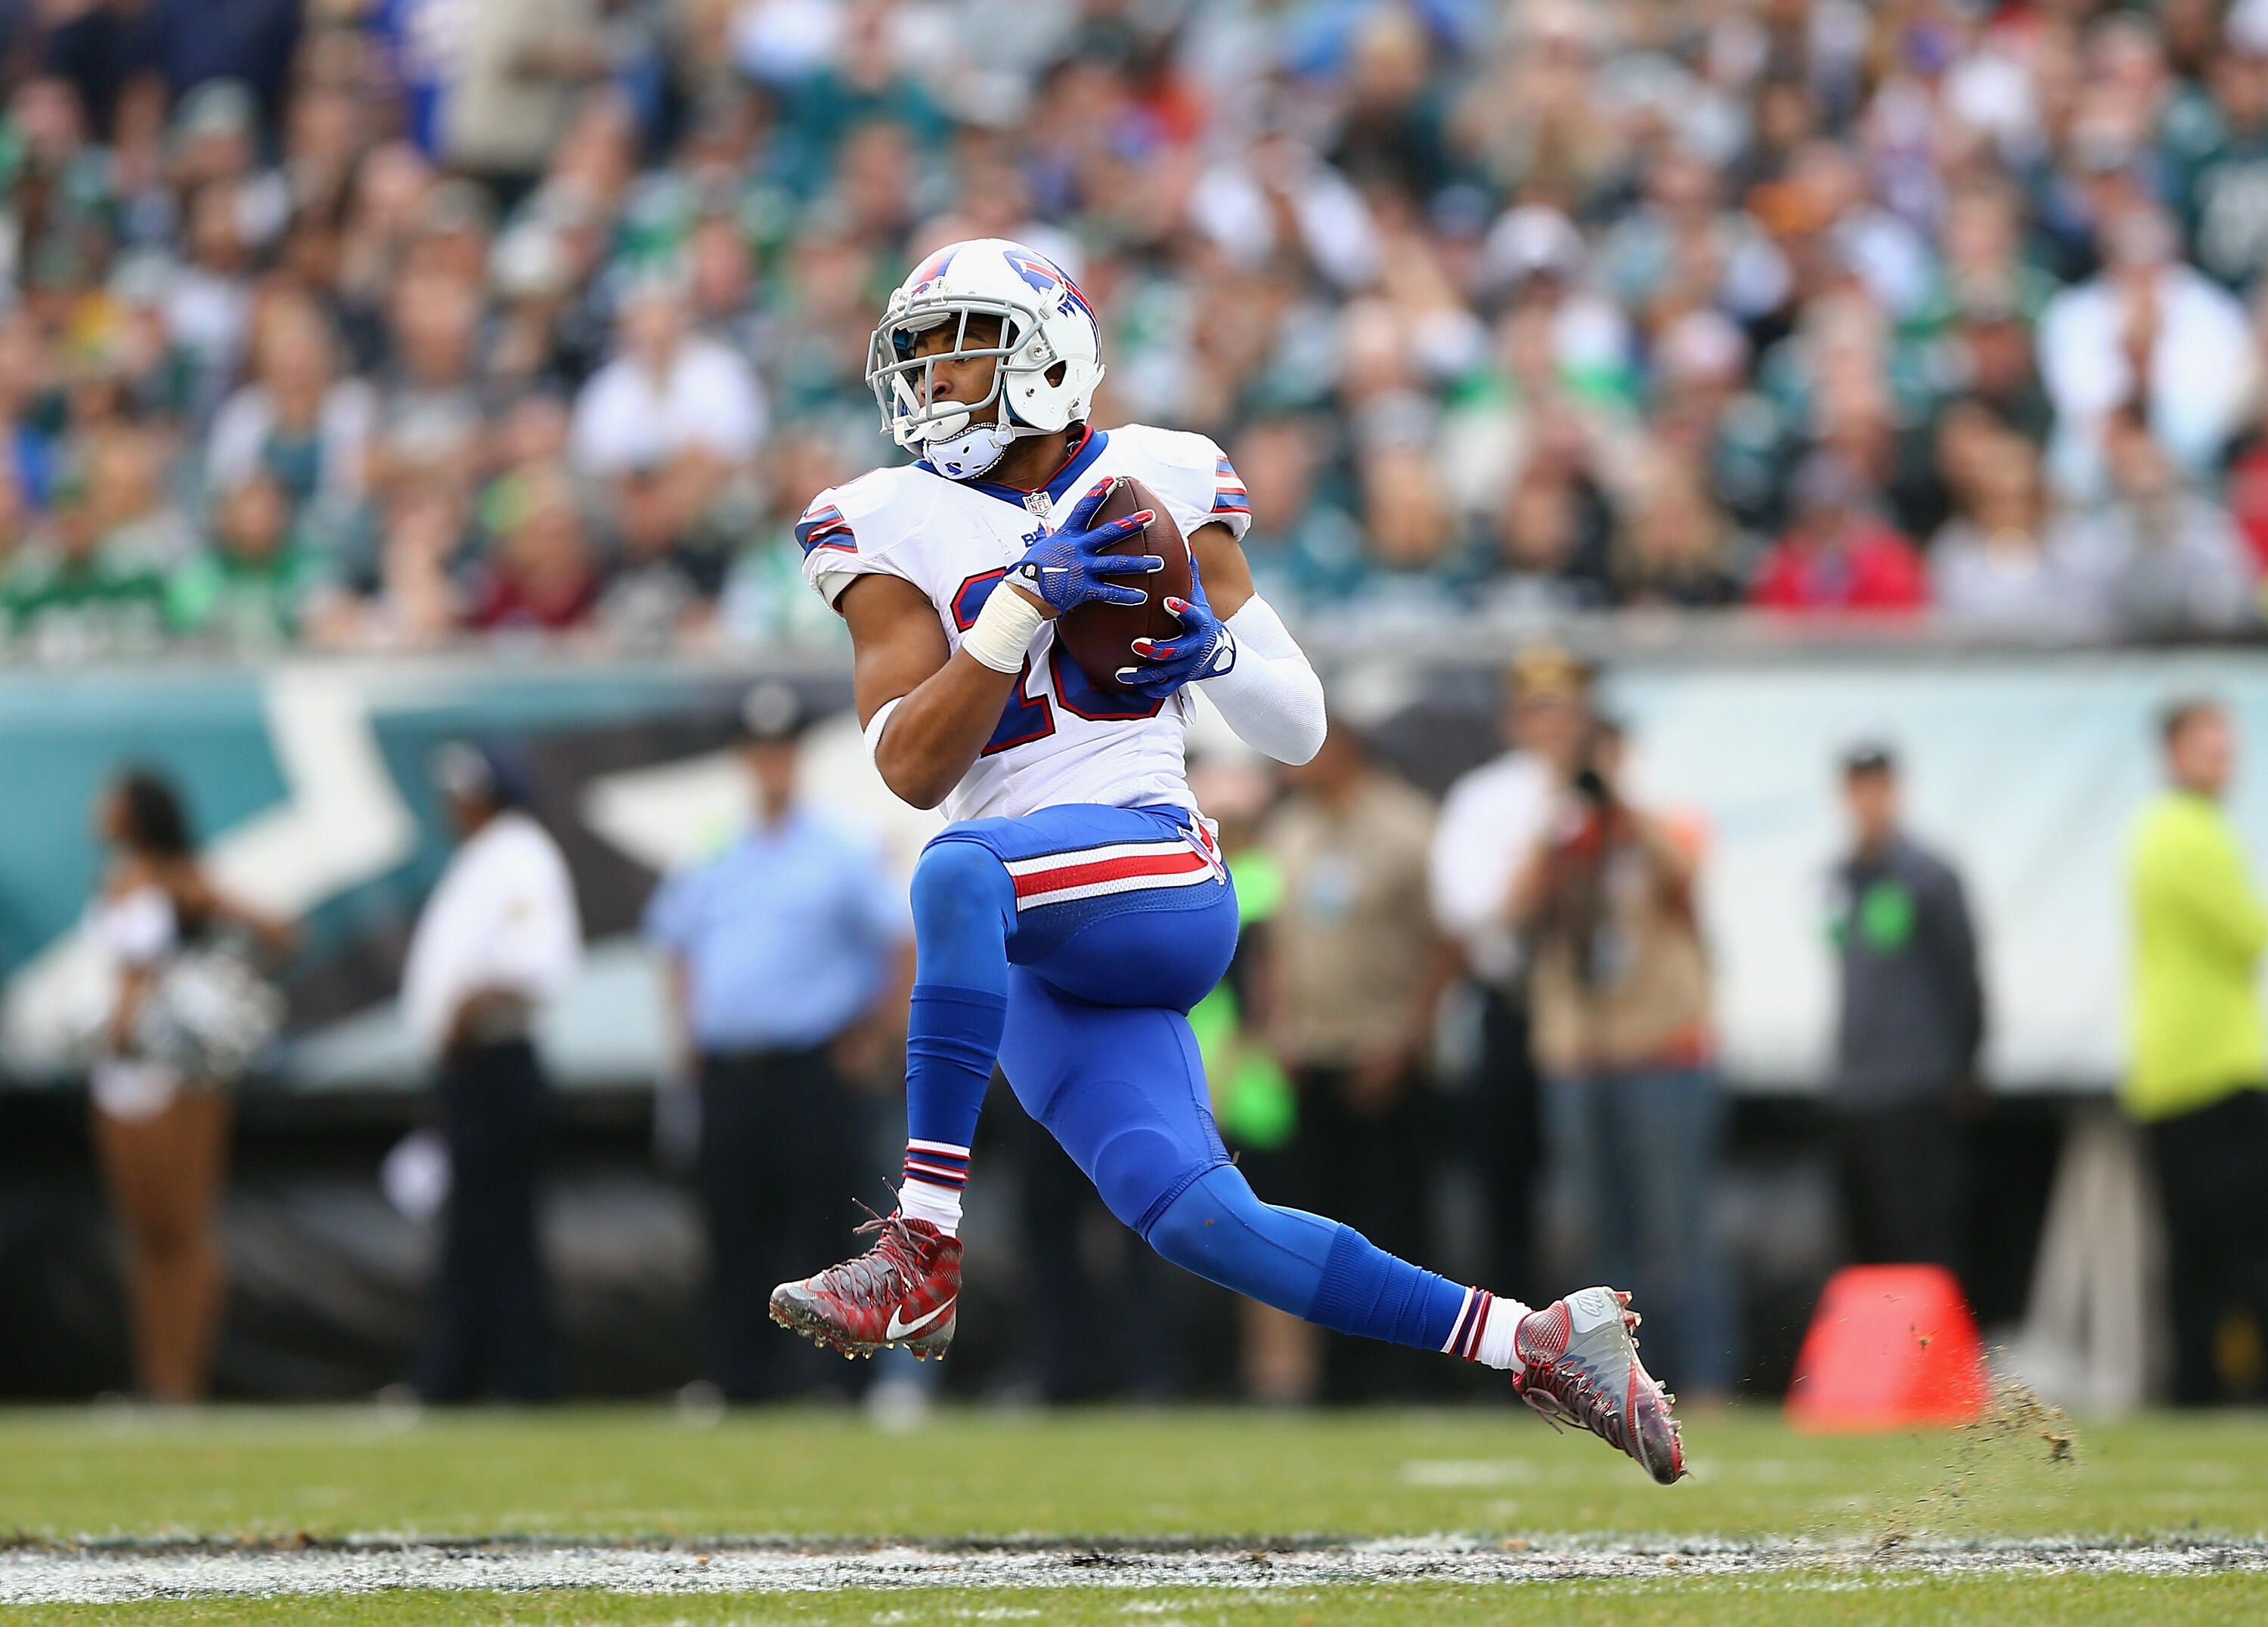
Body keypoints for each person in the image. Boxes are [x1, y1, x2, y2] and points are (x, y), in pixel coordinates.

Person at [765, 238, 1684, 1482]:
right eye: (917, 354)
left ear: (1050, 354)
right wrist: (1014, 616)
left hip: (1152, 872)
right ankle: (1539, 1339)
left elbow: (1297, 724)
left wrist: (1212, 649)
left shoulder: (1158, 473)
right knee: (1200, 1218)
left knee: (955, 873)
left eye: (961, 347)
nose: (932, 379)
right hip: (1033, 939)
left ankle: (922, 1243)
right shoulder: (882, 520)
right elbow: (912, 768)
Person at [642, 682, 912, 1401]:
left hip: (812, 1067)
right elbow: (674, 945)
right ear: (744, 759)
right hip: (729, 1070)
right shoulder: (713, 851)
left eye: (782, 752)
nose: (772, 766)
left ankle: (831, 1382)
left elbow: (899, 943)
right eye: (760, 752)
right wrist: (684, 1033)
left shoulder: (840, 848)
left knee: (824, 1227)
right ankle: (739, 1381)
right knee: (732, 1229)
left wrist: (876, 1039)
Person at [1511, 717, 1735, 1404]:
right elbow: (1511, 912)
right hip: (1581, 1056)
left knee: (1678, 1222)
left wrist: (1623, 811)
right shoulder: (1557, 840)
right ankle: (1613, 1381)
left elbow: (1687, 873)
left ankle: (1705, 1376)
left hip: (1664, 1052)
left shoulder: (1668, 825)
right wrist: (1558, 827)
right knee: (1593, 1229)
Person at [1261, 722, 1452, 1401]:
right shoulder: (1292, 829)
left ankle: (1404, 1374)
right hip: (1311, 1050)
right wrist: (1278, 1027)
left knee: (1395, 1216)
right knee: (1318, 1216)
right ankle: (1336, 1375)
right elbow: (1279, 942)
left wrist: (1407, 1039)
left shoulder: (1408, 827)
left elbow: (1444, 944)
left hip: (1385, 1050)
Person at [86, 770, 291, 1402]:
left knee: (185, 1229)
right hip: (122, 1072)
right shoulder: (116, 882)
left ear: (140, 812)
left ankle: (184, 1378)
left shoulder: (184, 880)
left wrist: (216, 981)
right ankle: (155, 1378)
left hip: (181, 1070)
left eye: (114, 796)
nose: (100, 807)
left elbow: (281, 934)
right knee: (144, 1233)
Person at [401, 741, 581, 1402]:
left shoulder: (519, 853)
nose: (453, 807)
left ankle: (521, 1380)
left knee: (500, 1230)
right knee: (474, 1230)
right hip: (472, 1068)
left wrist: (460, 1019)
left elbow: (531, 966)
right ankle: (461, 1377)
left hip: (497, 1064)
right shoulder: (483, 859)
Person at [1427, 646, 1591, 1312]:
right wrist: (1540, 846)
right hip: (1514, 999)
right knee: (1505, 1180)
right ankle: (1516, 1340)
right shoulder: (1487, 797)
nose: (1551, 727)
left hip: (1590, 1003)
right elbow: (1461, 907)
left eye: (1562, 712)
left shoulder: (1612, 787)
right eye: (1537, 712)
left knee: (1595, 1176)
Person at [2125, 699, 2268, 1405]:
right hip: (2216, 1064)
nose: (2223, 756)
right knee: (2244, 1245)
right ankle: (2224, 1386)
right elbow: (2248, 933)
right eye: (2209, 744)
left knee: (2190, 1251)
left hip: (2163, 1072)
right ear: (2174, 753)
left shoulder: (2155, 832)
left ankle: (2193, 1387)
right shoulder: (2195, 835)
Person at [1826, 744, 1984, 1272]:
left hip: (1917, 1087)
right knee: (1867, 1252)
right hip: (1856, 1089)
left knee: (1924, 1243)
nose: (1868, 799)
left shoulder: (1930, 876)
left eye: (1878, 784)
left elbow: (1964, 974)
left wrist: (1963, 1068)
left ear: (1895, 789)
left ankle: (1936, 1356)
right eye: (1857, 785)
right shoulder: (1840, 879)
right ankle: (1879, 1358)